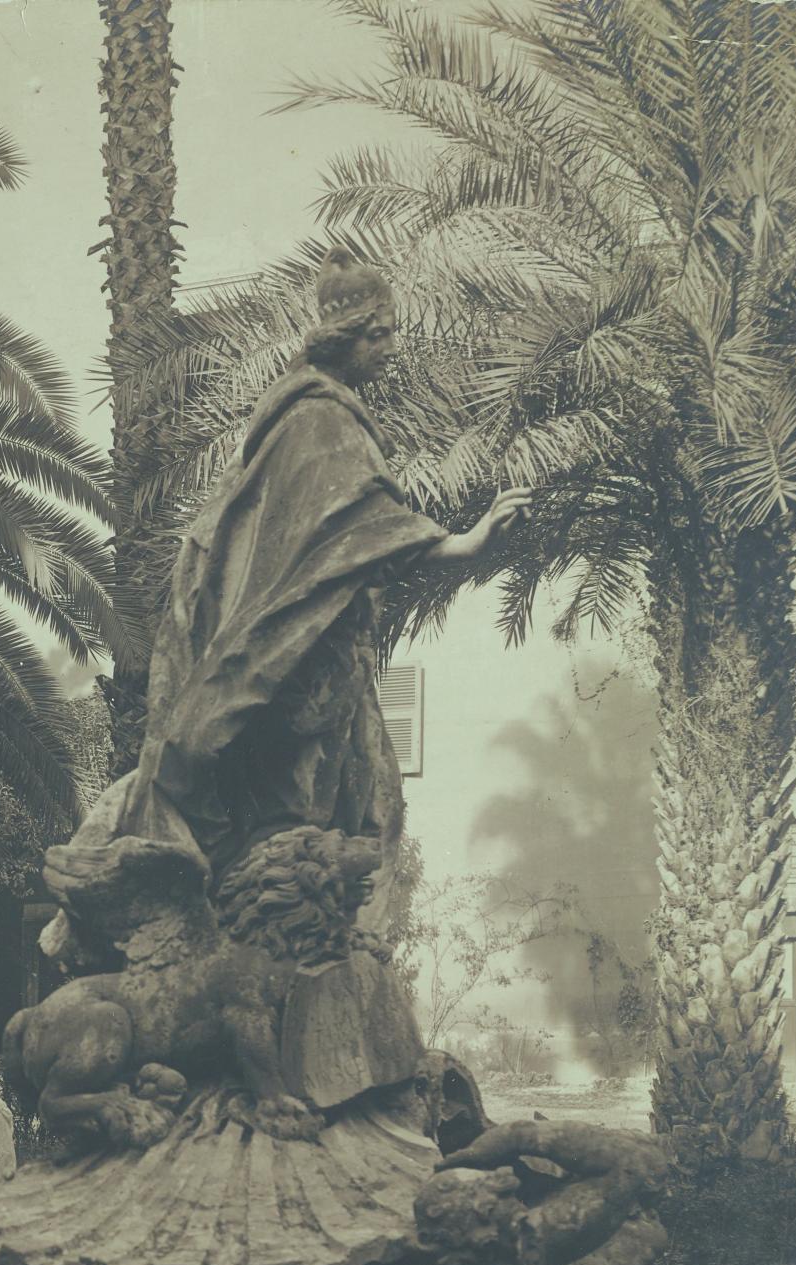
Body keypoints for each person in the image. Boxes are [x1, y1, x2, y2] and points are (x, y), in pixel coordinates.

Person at [106, 249, 531, 882]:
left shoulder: (314, 414)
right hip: (303, 667)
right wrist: (467, 543)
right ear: (344, 340)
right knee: (312, 824)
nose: (392, 347)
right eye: (379, 334)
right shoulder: (319, 420)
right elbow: (357, 529)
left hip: (319, 657)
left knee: (341, 820)